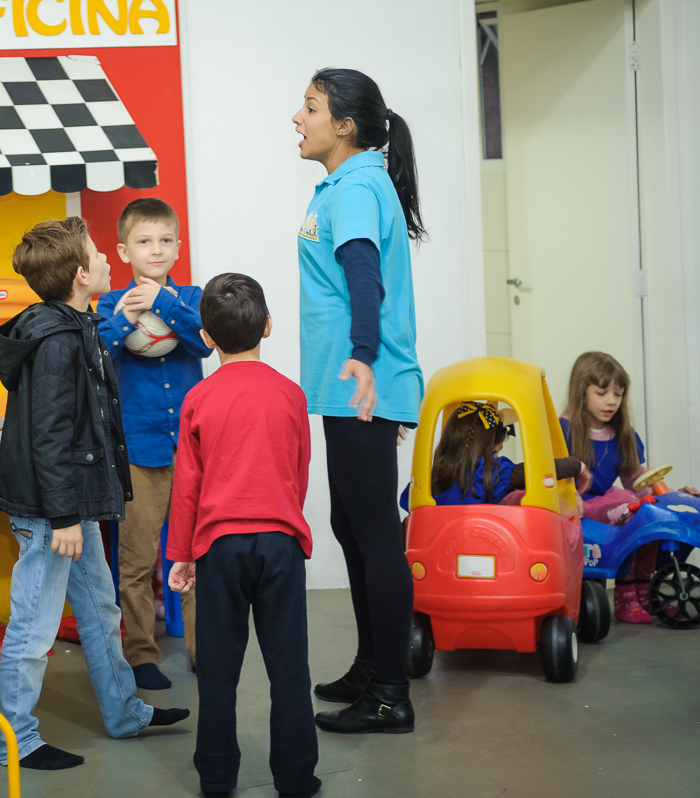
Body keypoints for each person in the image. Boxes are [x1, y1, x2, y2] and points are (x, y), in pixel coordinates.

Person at [0, 216, 189, 772]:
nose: (109, 259)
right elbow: (52, 435)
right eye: (100, 253)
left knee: (101, 613)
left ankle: (125, 713)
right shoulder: (57, 341)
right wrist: (63, 519)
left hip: (73, 508)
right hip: (54, 515)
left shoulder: (79, 324)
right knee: (33, 625)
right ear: (82, 274)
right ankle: (20, 739)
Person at [292, 68, 423, 734]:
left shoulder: (357, 188)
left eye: (310, 107)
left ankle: (390, 694)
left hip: (360, 386)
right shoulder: (350, 184)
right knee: (353, 528)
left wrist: (365, 360)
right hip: (350, 388)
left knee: (375, 539)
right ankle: (372, 666)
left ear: (345, 125)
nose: (297, 118)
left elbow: (364, 275)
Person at [166, 274, 320, 798]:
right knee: (289, 671)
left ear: (206, 337)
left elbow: (187, 486)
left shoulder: (198, 398)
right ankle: (297, 780)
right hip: (279, 543)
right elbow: (297, 473)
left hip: (219, 547)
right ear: (269, 327)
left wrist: (182, 554)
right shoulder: (292, 395)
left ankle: (215, 778)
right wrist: (282, 518)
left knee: (217, 671)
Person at [96, 198, 212, 690]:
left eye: (166, 241)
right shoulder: (108, 302)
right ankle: (141, 654)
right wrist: (128, 314)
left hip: (192, 449)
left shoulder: (191, 297)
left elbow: (204, 342)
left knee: (195, 554)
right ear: (124, 250)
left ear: (179, 247)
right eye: (144, 242)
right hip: (138, 452)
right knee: (137, 558)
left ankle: (203, 651)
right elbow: (100, 348)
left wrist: (162, 303)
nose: (156, 250)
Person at [560, 351, 699, 623]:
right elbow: (552, 474)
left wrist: (667, 498)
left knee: (649, 515)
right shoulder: (563, 430)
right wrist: (570, 494)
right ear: (581, 392)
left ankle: (644, 591)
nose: (611, 401)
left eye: (618, 394)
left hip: (611, 501)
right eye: (601, 393)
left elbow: (634, 480)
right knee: (631, 513)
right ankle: (625, 598)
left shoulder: (622, 433)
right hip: (579, 502)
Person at [399, 401, 588, 510]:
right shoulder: (490, 474)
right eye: (496, 452)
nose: (496, 457)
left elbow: (407, 502)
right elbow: (538, 469)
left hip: (440, 558)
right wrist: (576, 465)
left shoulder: (429, 479)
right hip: (486, 552)